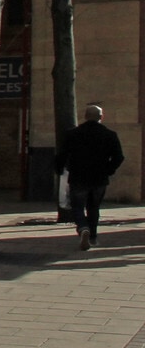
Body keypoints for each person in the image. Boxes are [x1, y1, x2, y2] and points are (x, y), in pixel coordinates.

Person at [57, 105, 125, 250]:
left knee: (77, 206)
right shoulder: (109, 135)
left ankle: (82, 227)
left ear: (86, 116)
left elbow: (62, 155)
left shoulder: (73, 134)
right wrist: (109, 170)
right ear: (101, 117)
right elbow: (119, 157)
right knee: (94, 208)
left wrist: (59, 169)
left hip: (78, 176)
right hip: (99, 178)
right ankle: (93, 237)